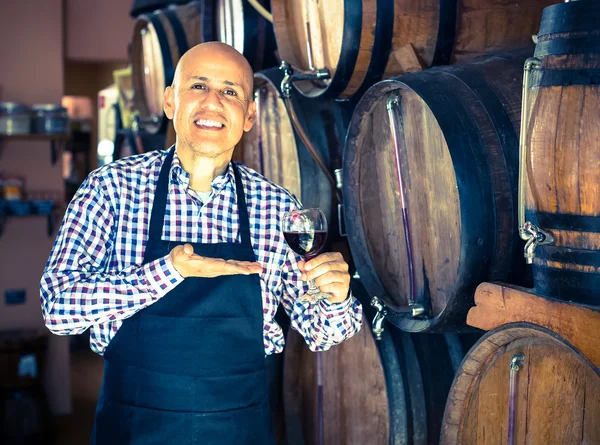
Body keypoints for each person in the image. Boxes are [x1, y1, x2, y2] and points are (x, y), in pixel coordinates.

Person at [40, 42, 362, 444]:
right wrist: (167, 272)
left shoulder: (276, 206)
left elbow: (320, 333)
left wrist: (335, 297)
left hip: (238, 429)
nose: (213, 102)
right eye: (198, 86)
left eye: (230, 91)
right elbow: (58, 309)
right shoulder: (111, 189)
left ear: (248, 117)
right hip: (134, 426)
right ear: (170, 101)